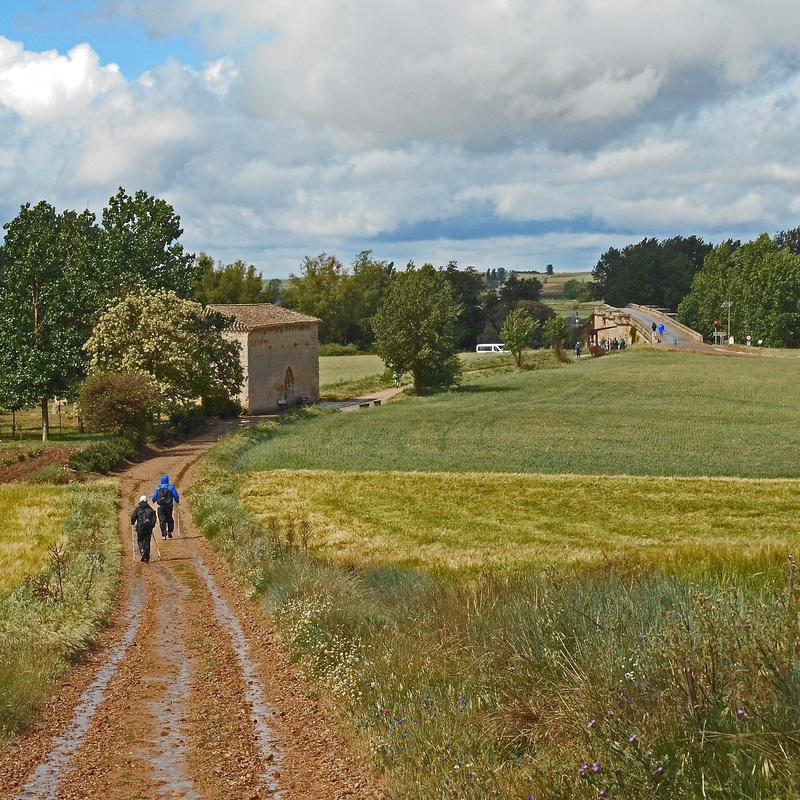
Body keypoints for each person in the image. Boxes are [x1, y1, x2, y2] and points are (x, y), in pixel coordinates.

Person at [152, 474, 180, 539]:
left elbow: (154, 497)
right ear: (168, 480)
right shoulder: (171, 487)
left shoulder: (158, 487)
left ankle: (163, 535)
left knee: (162, 520)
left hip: (160, 506)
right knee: (169, 518)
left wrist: (153, 500)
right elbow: (175, 495)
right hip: (169, 506)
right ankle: (169, 531)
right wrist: (177, 500)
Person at [131, 495, 157, 562]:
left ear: (140, 501)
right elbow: (154, 519)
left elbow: (133, 518)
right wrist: (152, 526)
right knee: (147, 543)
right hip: (148, 529)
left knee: (140, 540)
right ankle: (147, 558)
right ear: (146, 501)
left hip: (140, 529)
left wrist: (132, 523)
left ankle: (142, 551)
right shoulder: (150, 509)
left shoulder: (138, 509)